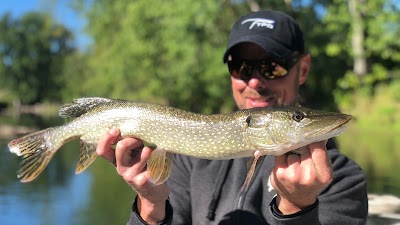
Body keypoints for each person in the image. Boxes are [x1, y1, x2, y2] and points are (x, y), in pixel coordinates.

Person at [96, 10, 368, 225]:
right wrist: (151, 204)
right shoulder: (189, 161)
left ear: (304, 69)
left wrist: (296, 209)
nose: (254, 81)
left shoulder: (342, 180)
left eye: (271, 67)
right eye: (241, 67)